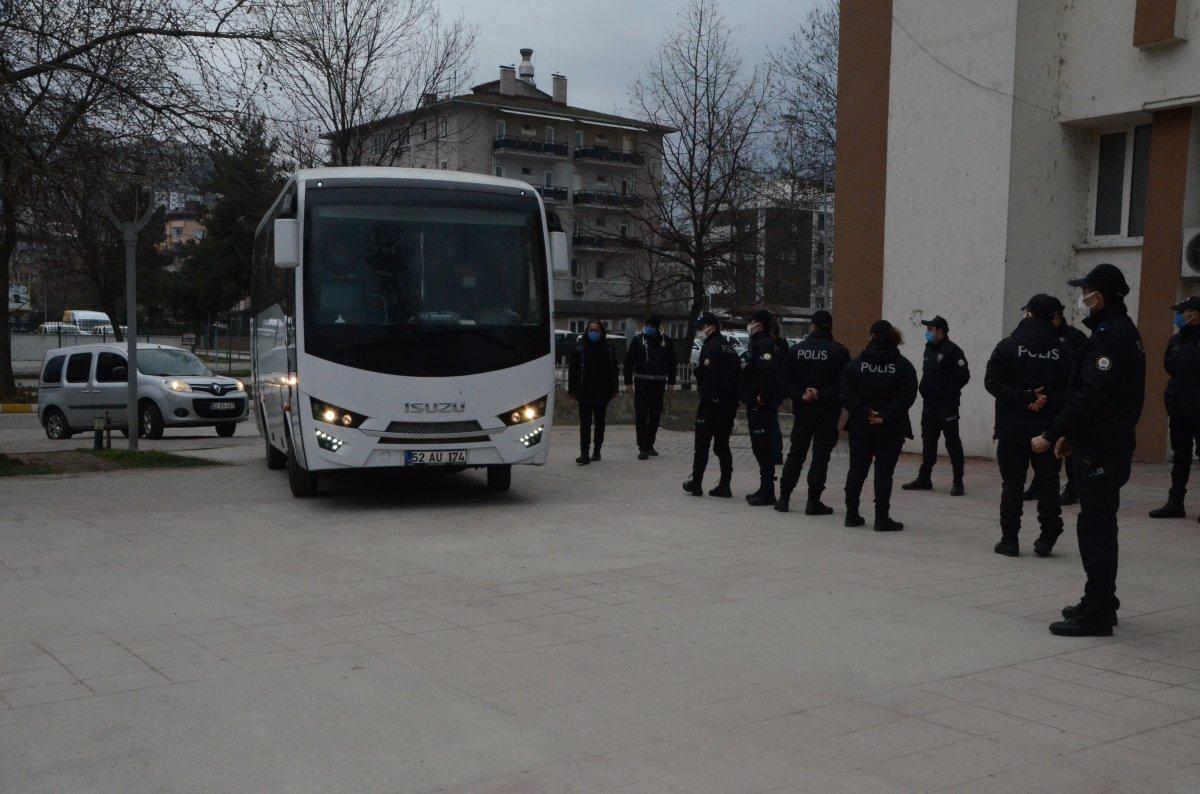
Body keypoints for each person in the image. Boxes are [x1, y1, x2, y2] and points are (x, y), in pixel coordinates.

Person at [1033, 263, 1145, 636]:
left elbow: (1091, 395)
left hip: (1103, 448)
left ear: (1100, 296)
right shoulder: (1113, 331)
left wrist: (1052, 432)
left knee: (1095, 528)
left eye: (1086, 293)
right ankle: (1100, 600)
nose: (1082, 299)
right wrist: (1073, 436)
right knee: (1100, 524)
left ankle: (1097, 614)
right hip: (1101, 442)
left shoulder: (1111, 337)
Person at [984, 294, 1075, 558]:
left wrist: (1023, 397)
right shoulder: (1064, 351)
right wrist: (1044, 400)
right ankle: (1048, 534)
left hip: (1012, 426)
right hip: (1048, 430)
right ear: (1052, 318)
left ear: (1030, 314)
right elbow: (1074, 390)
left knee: (1011, 484)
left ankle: (1009, 540)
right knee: (1048, 482)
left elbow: (992, 382)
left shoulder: (1008, 346)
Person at [839, 320, 918, 531]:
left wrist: (865, 412)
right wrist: (885, 414)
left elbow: (845, 393)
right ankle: (882, 518)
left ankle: (851, 514)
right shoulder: (903, 366)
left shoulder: (856, 364)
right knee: (884, 473)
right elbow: (908, 396)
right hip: (891, 427)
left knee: (856, 470)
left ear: (872, 336)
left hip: (861, 426)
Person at [774, 310, 850, 515]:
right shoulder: (839, 352)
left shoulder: (797, 350)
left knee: (796, 452)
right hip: (827, 410)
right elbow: (845, 385)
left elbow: (783, 379)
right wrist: (820, 394)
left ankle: (783, 498)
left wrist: (801, 394)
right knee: (820, 456)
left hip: (803, 410)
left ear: (813, 327)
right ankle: (813, 501)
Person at [1023, 303, 1088, 503]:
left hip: (1067, 401)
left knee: (1068, 446)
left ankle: (1072, 489)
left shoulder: (1075, 338)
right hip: (1044, 401)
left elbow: (1081, 372)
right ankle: (1038, 484)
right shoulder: (1036, 338)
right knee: (1042, 448)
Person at [902, 316, 970, 495]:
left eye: (931, 329)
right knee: (928, 442)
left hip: (947, 405)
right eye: (928, 329)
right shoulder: (929, 349)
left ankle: (958, 482)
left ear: (940, 331)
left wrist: (946, 390)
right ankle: (924, 478)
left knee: (952, 442)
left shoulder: (952, 351)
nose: (928, 332)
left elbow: (964, 376)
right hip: (929, 405)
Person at [1149, 296, 1200, 519]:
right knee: (1181, 457)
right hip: (1180, 408)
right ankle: (1175, 502)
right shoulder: (1177, 340)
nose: (1181, 315)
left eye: (1185, 311)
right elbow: (1170, 367)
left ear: (1196, 313)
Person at [684, 313, 742, 497]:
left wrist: (713, 396)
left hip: (712, 403)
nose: (699, 331)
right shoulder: (728, 346)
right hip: (728, 404)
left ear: (711, 327)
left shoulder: (711, 347)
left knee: (702, 444)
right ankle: (725, 484)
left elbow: (712, 377)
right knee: (721, 445)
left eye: (701, 327)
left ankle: (696, 483)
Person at [742, 309, 784, 506]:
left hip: (761, 403)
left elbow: (768, 373)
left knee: (762, 446)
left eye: (752, 322)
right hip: (756, 400)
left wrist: (761, 397)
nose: (749, 325)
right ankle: (764, 487)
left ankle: (768, 492)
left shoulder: (765, 344)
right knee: (759, 447)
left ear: (759, 324)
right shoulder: (758, 342)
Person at [624, 315, 677, 460]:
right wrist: (628, 382)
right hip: (641, 383)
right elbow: (628, 362)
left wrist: (671, 382)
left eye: (652, 327)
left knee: (655, 416)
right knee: (641, 416)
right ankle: (642, 447)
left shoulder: (666, 342)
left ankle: (650, 444)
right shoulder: (638, 340)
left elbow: (672, 362)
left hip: (658, 384)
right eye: (647, 326)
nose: (649, 329)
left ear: (658, 328)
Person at [567, 321, 619, 466]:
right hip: (584, 392)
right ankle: (584, 453)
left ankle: (597, 450)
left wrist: (614, 389)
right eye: (591, 330)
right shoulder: (579, 348)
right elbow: (573, 371)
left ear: (601, 332)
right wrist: (572, 390)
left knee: (600, 422)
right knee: (585, 423)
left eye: (596, 330)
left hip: (602, 392)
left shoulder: (608, 349)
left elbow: (613, 371)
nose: (593, 333)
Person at [768, 321, 791, 465]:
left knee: (771, 422)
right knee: (772, 421)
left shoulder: (773, 346)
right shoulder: (784, 345)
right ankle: (775, 451)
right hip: (779, 388)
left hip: (773, 388)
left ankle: (775, 452)